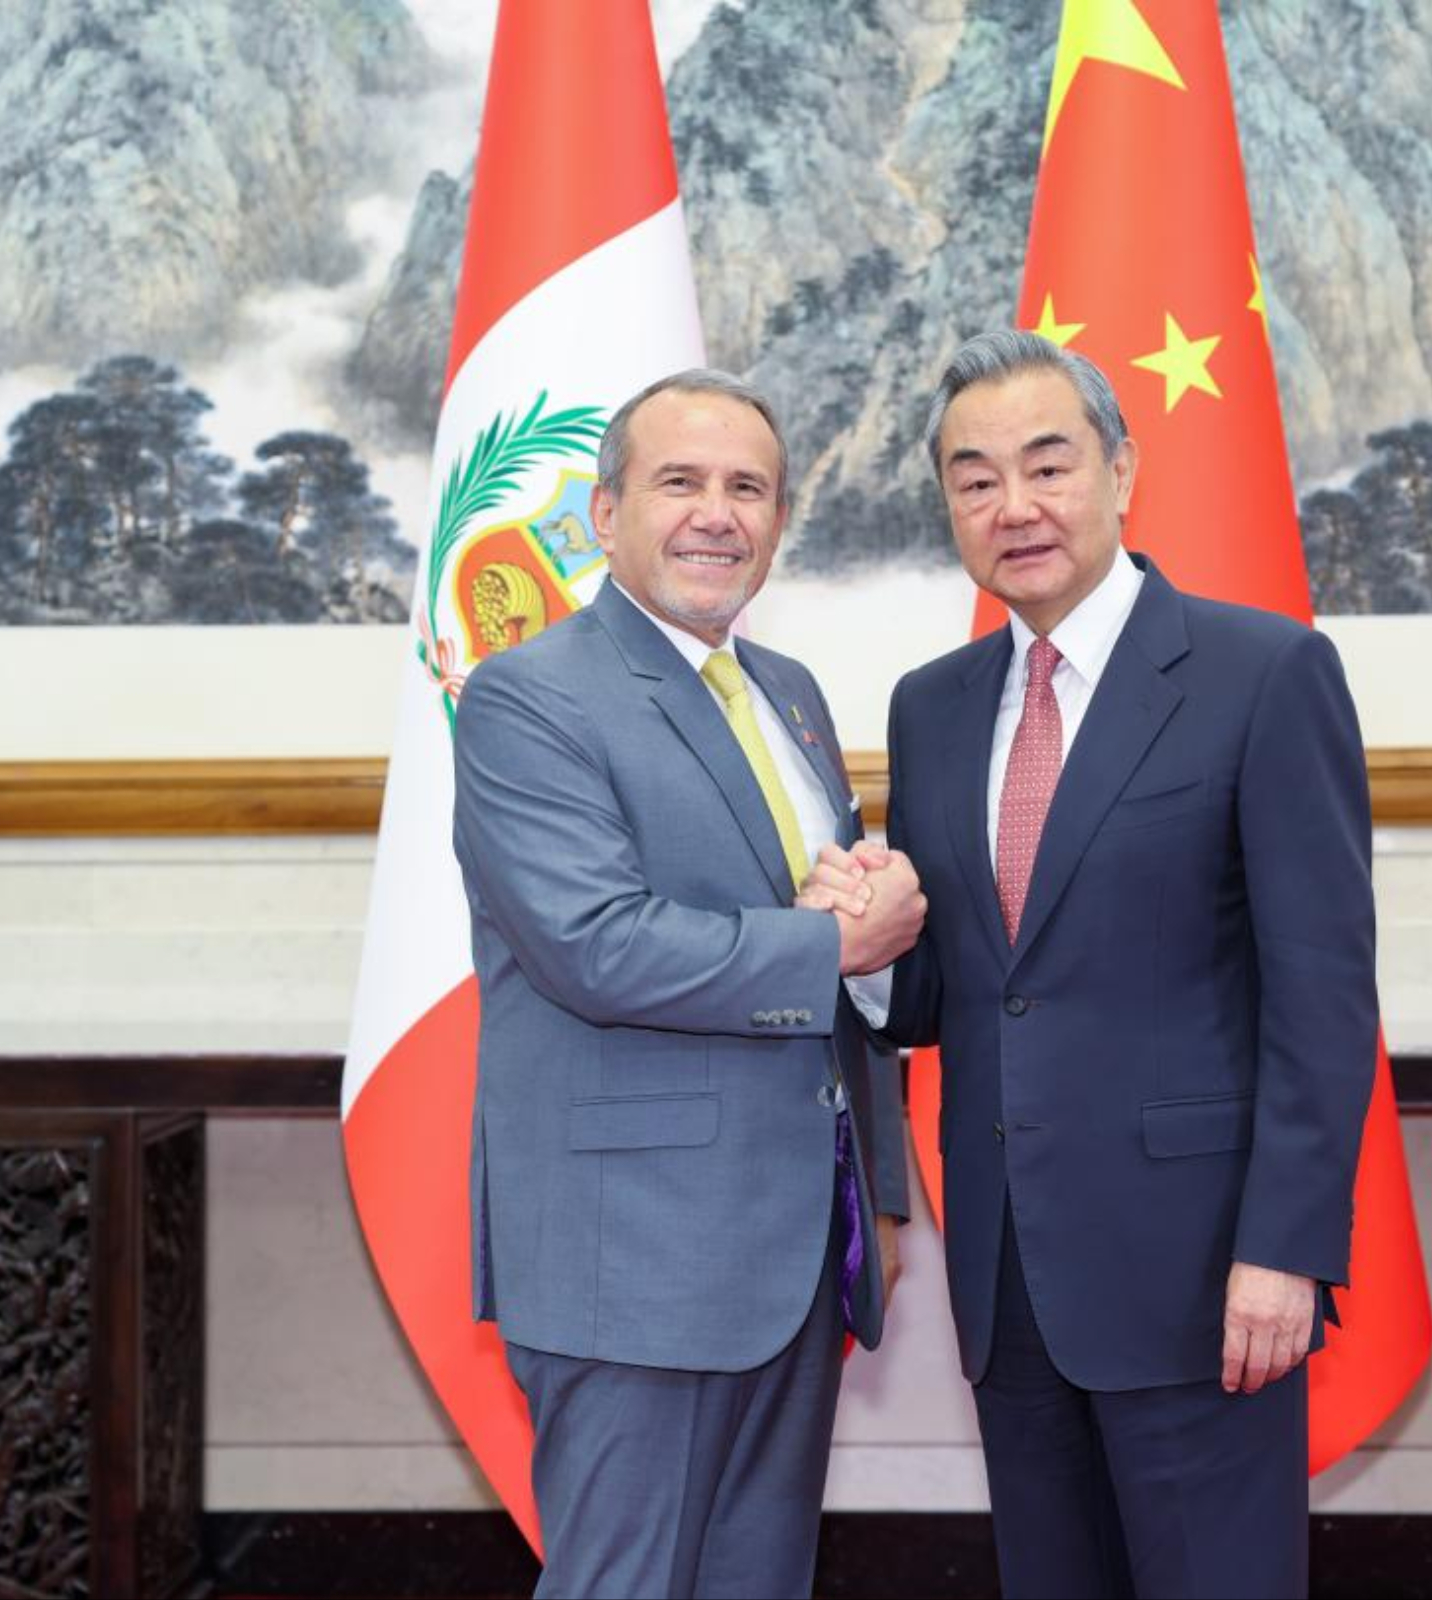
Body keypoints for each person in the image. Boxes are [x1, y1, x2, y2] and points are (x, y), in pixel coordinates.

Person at [804, 331, 1378, 1599]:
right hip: (1010, 1283)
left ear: (1120, 468)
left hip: (1201, 1275)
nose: (1014, 507)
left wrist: (1284, 1248)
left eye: (1047, 465)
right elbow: (960, 987)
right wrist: (863, 946)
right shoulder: (932, 704)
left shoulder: (1263, 672)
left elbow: (1321, 997)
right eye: (973, 478)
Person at [451, 368, 925, 1600]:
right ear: (604, 515)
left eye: (747, 488)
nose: (716, 513)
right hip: (635, 1265)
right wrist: (837, 947)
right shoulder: (528, 696)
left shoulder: (791, 696)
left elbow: (846, 921)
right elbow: (594, 944)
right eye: (680, 482)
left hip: (797, 1251)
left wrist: (880, 1177)